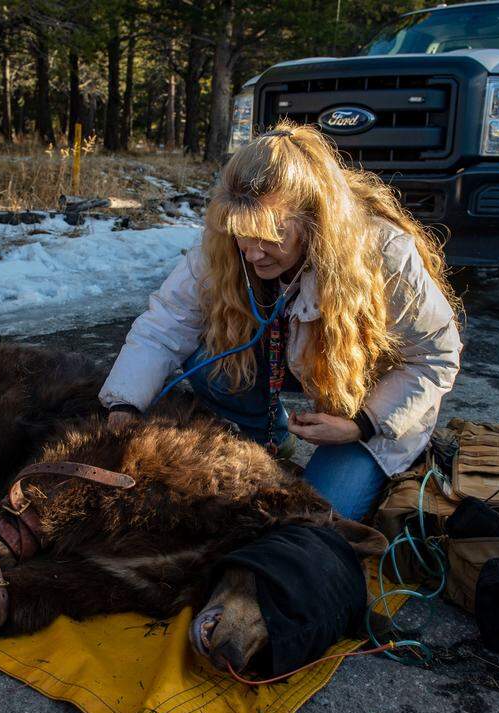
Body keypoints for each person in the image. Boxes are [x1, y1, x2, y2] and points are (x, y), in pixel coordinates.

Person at [98, 121, 462, 521]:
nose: (254, 254)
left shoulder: (384, 253)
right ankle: (267, 435)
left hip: (363, 404)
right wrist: (125, 405)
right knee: (205, 354)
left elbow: (435, 358)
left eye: (272, 234)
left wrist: (362, 424)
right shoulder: (225, 246)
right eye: (243, 234)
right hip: (282, 362)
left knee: (316, 519)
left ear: (313, 218)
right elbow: (164, 325)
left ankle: (353, 450)